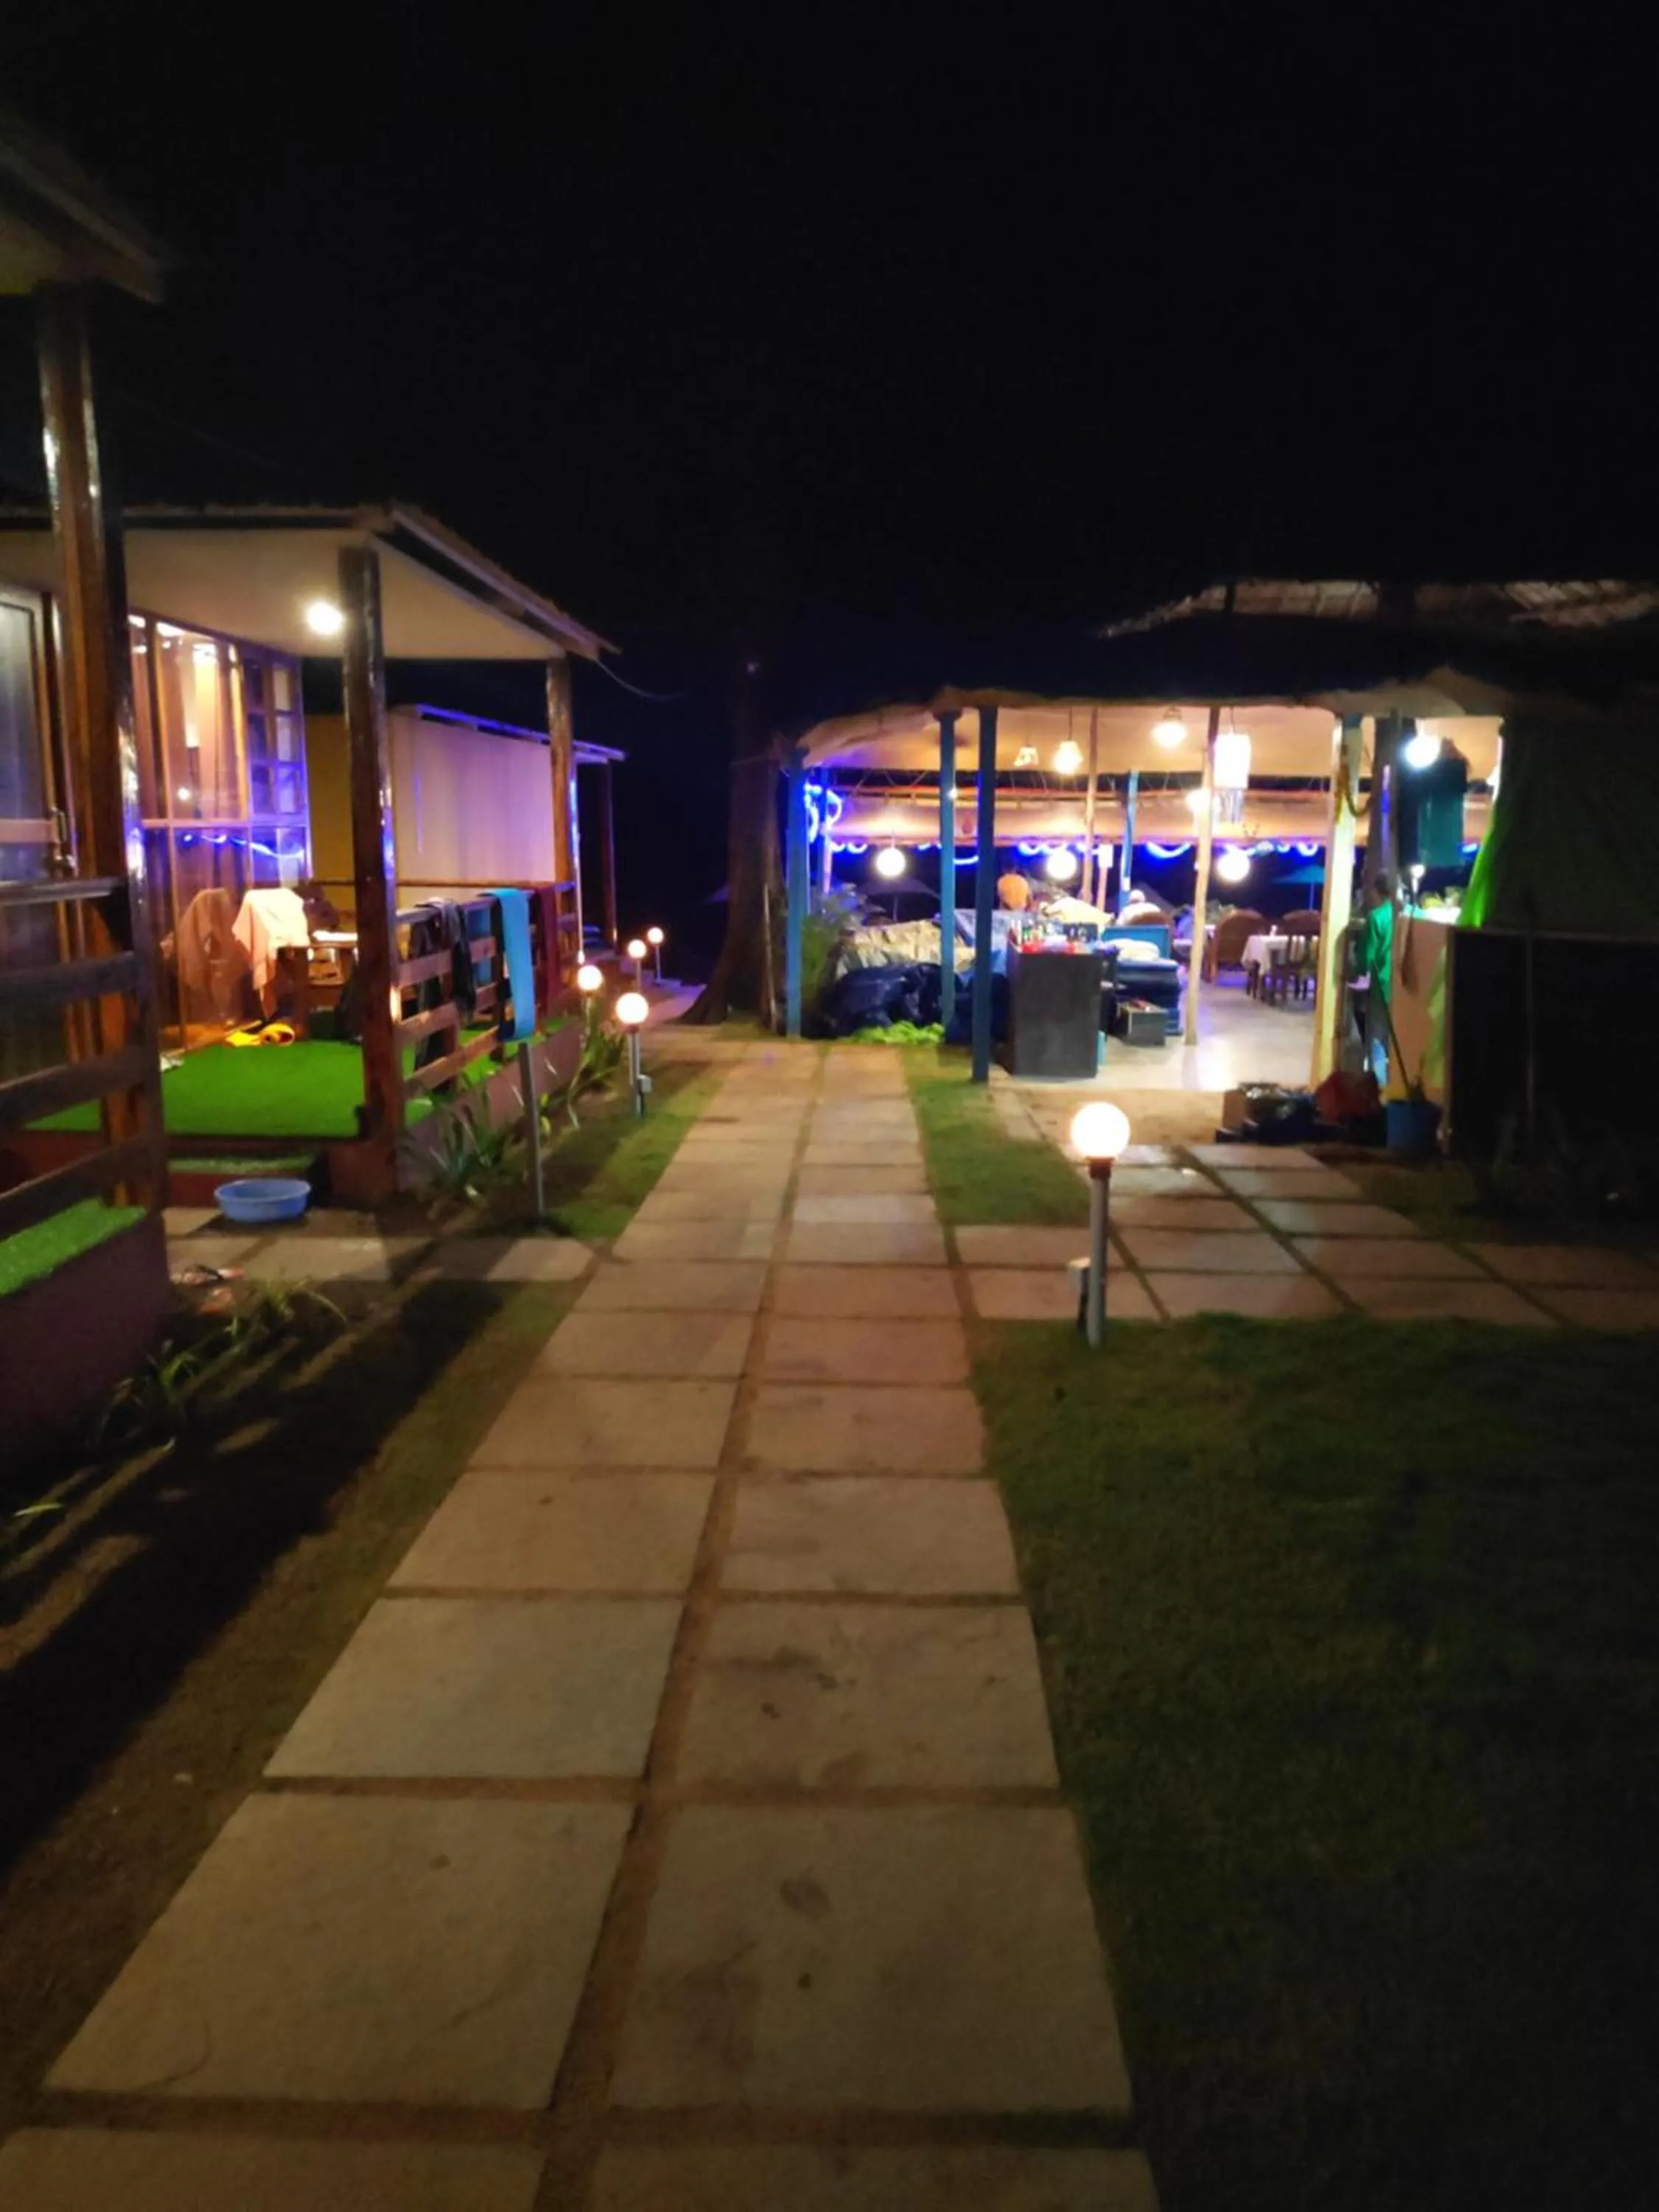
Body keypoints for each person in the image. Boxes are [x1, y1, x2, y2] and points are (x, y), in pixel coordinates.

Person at [1360, 872, 1397, 1085]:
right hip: (1406, 986)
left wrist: (1357, 976)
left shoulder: (1376, 917)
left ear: (1376, 891)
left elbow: (1367, 957)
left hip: (1382, 985)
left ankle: (1380, 1085)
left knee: (1377, 1037)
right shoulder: (1410, 914)